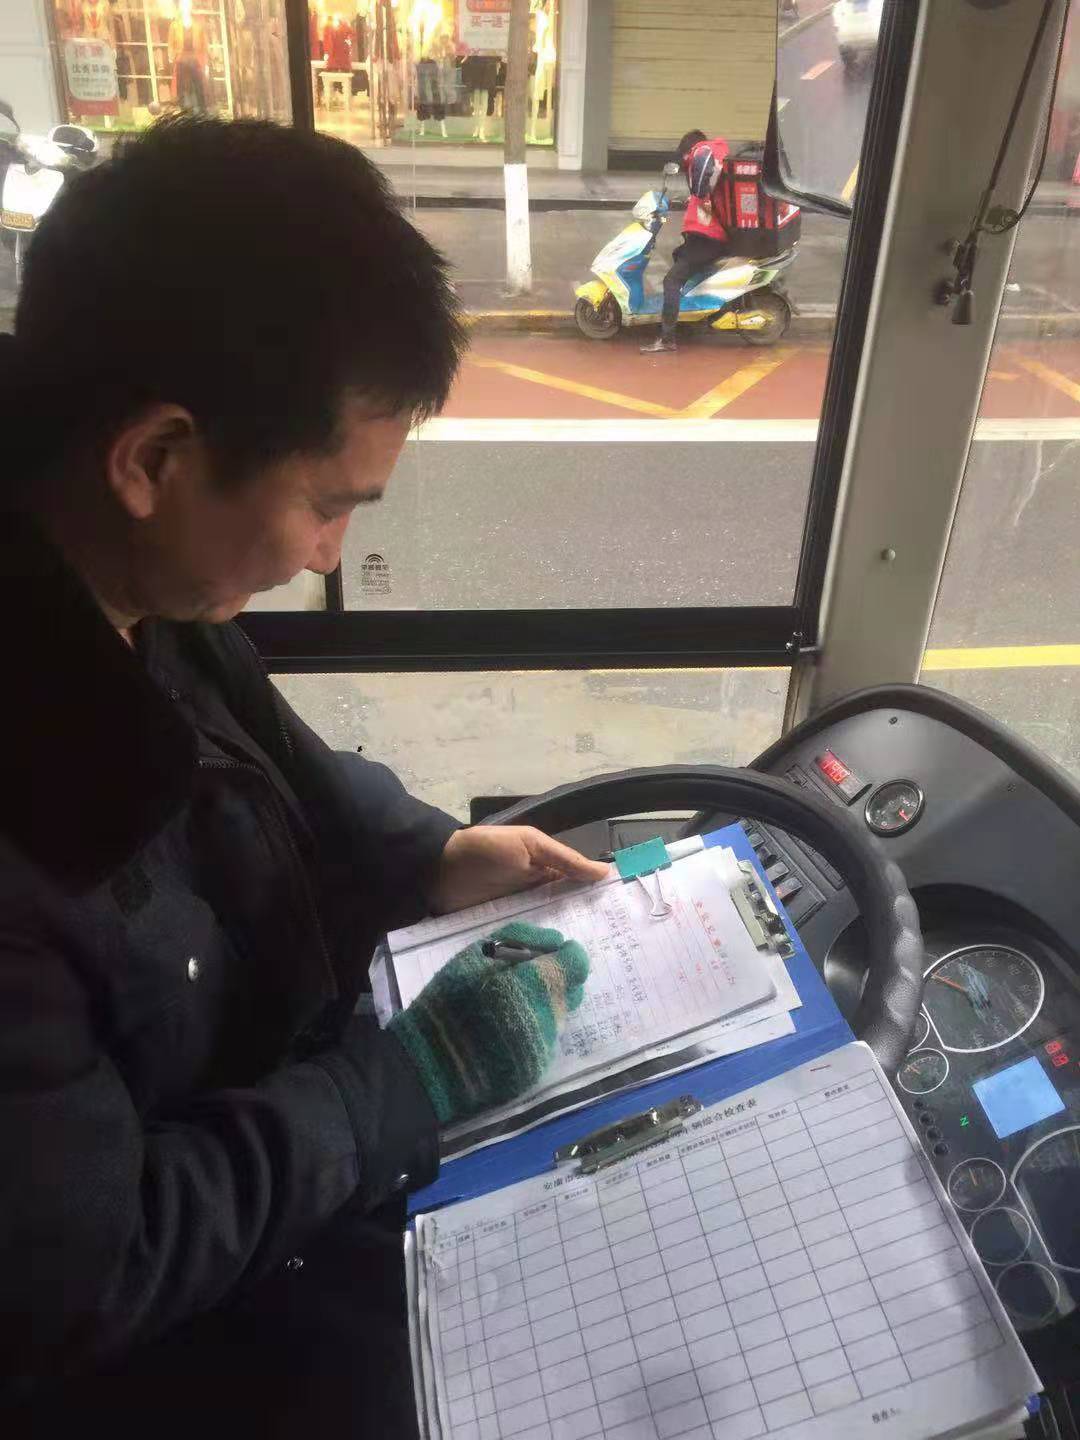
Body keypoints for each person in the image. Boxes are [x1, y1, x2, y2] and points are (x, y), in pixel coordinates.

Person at [0, 116, 608, 1436]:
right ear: (153, 460)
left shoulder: (134, 589)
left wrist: (428, 853)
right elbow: (86, 1276)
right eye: (328, 504)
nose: (330, 556)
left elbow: (271, 766)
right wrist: (406, 1083)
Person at [641, 129, 731, 355]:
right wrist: (694, 198)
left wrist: (698, 194)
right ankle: (690, 319)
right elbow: (710, 190)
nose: (683, 163)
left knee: (671, 281)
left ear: (687, 150)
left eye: (683, 157)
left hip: (707, 236)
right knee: (678, 255)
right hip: (710, 233)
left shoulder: (701, 152)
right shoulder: (718, 156)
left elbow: (702, 182)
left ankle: (667, 339)